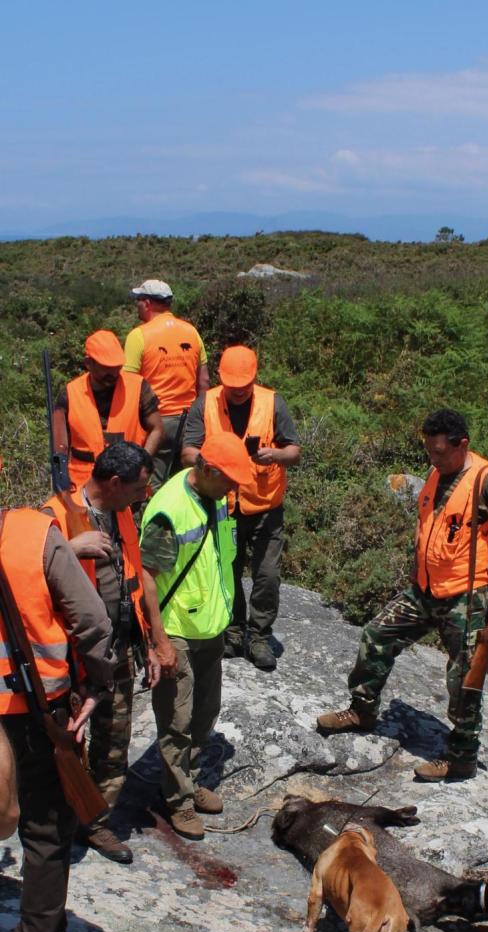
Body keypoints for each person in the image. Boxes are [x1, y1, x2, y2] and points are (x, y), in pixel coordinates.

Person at [316, 408, 488, 782]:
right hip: (424, 590)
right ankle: (362, 710)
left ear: (461, 444)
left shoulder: (487, 480)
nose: (431, 459)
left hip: (465, 598)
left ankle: (462, 756)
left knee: (464, 676)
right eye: (429, 451)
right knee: (377, 635)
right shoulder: (440, 471)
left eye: (439, 452)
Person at [43, 442, 177, 864]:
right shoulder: (53, 517)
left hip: (118, 651)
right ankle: (52, 825)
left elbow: (139, 579)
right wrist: (69, 549)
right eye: (139, 487)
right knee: (65, 745)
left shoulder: (123, 515)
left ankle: (96, 823)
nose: (145, 495)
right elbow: (22, 581)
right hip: (72, 658)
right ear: (115, 482)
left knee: (114, 743)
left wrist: (154, 643)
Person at [0, 504, 114, 932]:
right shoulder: (32, 533)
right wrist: (94, 684)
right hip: (33, 710)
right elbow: (93, 622)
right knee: (45, 830)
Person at [139, 434, 251, 840]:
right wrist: (160, 642)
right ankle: (178, 802)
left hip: (209, 627)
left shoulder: (214, 494)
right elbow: (147, 576)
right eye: (229, 480)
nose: (234, 489)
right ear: (206, 470)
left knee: (206, 712)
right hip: (178, 632)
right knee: (177, 720)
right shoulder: (171, 510)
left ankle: (189, 777)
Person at [180, 345, 301, 671]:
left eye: (243, 387)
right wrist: (212, 463)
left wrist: (274, 455)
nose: (237, 393)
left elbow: (294, 450)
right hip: (223, 505)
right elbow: (187, 451)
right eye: (231, 387)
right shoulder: (205, 403)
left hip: (265, 506)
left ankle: (259, 636)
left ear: (253, 378)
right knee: (226, 572)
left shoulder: (272, 402)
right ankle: (232, 632)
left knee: (267, 576)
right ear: (221, 378)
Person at [124, 279, 209, 490]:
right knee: (188, 484)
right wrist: (201, 418)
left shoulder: (138, 335)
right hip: (191, 421)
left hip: (156, 424)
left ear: (147, 303)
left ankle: (150, 522)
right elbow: (204, 381)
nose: (137, 305)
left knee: (149, 485)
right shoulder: (192, 332)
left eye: (138, 300)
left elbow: (129, 385)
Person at [53, 329, 164, 491]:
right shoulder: (69, 393)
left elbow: (158, 429)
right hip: (84, 488)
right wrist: (62, 484)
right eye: (106, 367)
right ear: (88, 363)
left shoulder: (139, 386)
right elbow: (59, 449)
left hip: (128, 486)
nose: (113, 373)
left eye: (116, 367)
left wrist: (140, 466)